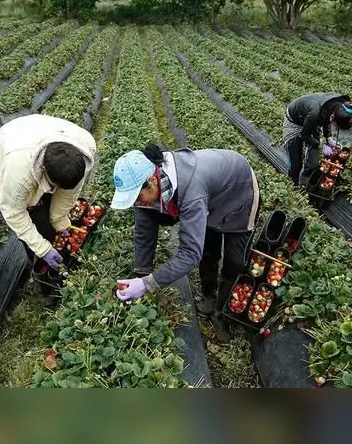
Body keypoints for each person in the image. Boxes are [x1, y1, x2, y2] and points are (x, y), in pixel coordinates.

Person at [111, 144, 260, 344]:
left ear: (153, 181)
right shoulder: (146, 188)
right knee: (208, 249)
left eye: (137, 197)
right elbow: (144, 234)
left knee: (234, 261)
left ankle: (224, 316)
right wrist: (141, 275)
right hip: (210, 196)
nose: (137, 203)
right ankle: (209, 298)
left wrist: (148, 284)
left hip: (238, 191)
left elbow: (190, 253)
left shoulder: (191, 189)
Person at [0, 114, 97, 305]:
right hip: (14, 137)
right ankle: (38, 267)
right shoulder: (19, 172)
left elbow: (70, 192)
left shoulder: (85, 147)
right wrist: (43, 249)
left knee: (49, 215)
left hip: (45, 131)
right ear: (45, 171)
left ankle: (47, 237)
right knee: (25, 207)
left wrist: (59, 219)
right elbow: (14, 213)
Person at [282, 92, 352, 187]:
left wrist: (328, 138)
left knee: (313, 163)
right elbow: (304, 135)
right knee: (296, 163)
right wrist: (320, 145)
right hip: (295, 122)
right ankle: (293, 183)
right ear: (333, 117)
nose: (333, 125)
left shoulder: (337, 105)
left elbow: (326, 120)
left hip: (311, 122)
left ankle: (304, 183)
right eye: (335, 124)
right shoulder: (315, 112)